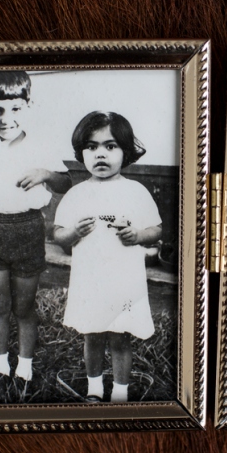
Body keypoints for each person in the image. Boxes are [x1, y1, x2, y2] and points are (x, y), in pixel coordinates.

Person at [0, 71, 71, 383]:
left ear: (28, 106)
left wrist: (45, 173)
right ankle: (0, 363)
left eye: (15, 109)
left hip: (28, 228)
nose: (6, 119)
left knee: (23, 306)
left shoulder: (41, 143)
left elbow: (65, 181)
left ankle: (25, 363)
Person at [53, 111, 162, 403]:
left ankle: (121, 393)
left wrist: (138, 235)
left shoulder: (135, 191)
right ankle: (94, 388)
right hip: (91, 279)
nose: (100, 154)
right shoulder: (76, 195)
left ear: (125, 151)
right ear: (81, 153)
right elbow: (59, 235)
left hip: (124, 280)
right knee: (92, 333)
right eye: (91, 147)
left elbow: (156, 230)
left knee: (120, 335)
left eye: (110, 146)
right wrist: (74, 232)